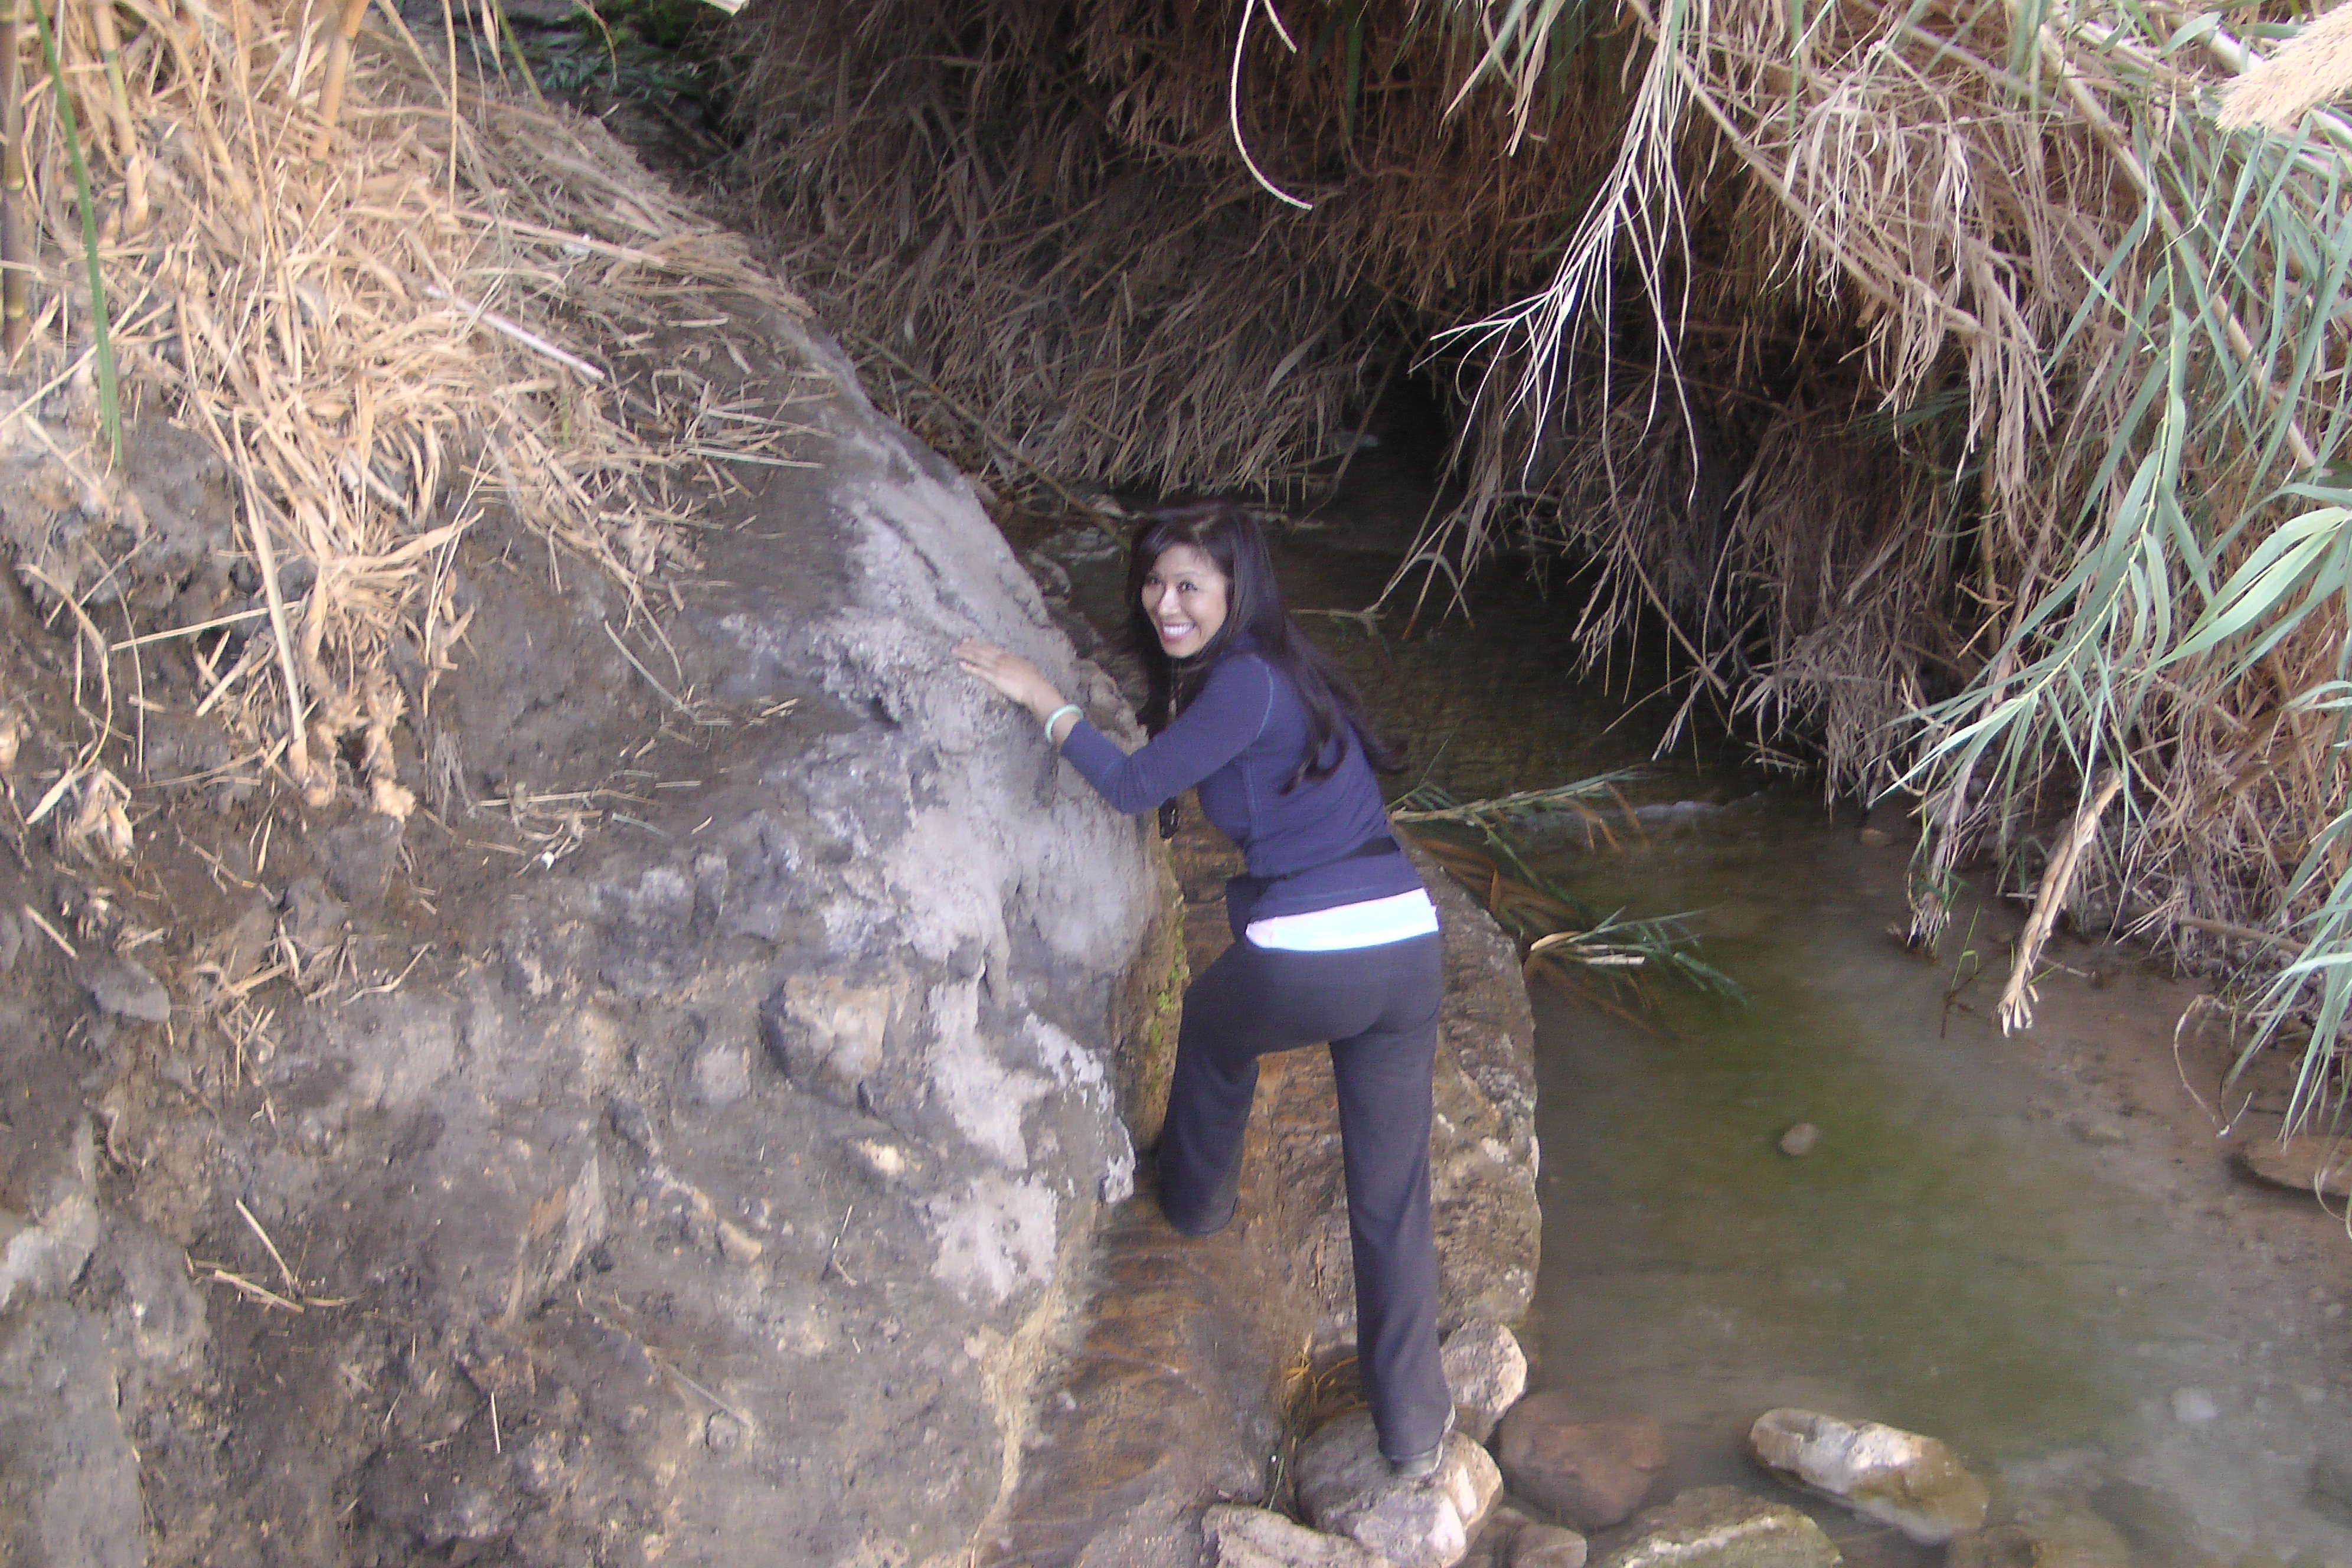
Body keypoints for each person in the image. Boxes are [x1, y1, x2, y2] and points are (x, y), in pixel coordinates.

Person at [955, 501, 1455, 1478]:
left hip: (1313, 951)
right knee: (1391, 1196)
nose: (1165, 602)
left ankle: (1194, 1203)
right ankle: (1414, 1428)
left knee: (1215, 1028)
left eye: (1190, 585)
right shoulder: (1291, 675)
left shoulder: (1245, 687)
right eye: (1154, 582)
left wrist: (1037, 695)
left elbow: (1135, 786)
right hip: (1409, 943)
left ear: (1236, 589)